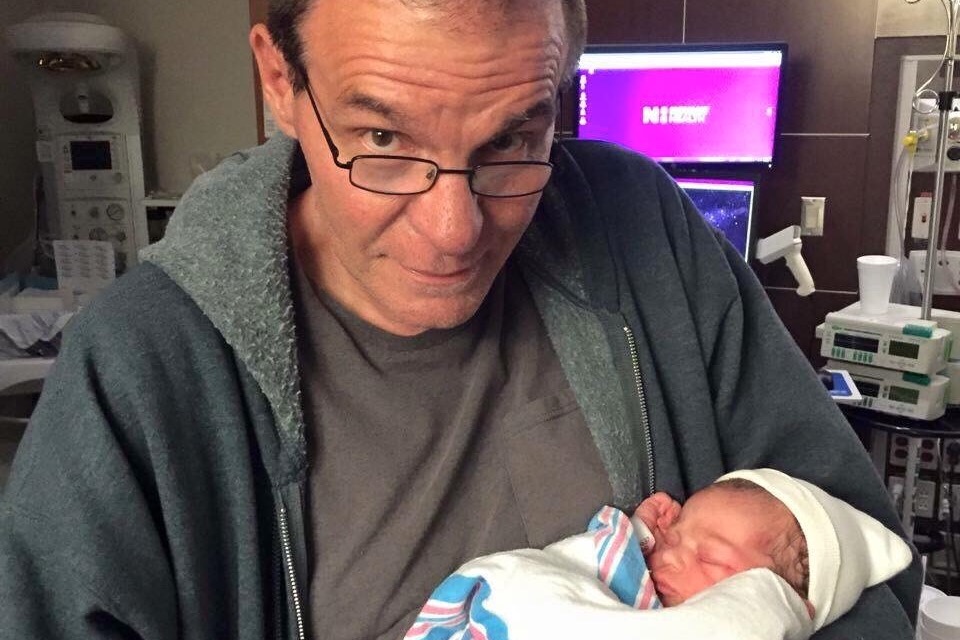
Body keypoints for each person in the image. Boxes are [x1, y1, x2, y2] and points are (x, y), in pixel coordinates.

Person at [0, 1, 920, 639]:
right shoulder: (144, 369)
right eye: (383, 139)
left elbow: (861, 561)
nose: (455, 231)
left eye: (512, 139)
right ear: (280, 79)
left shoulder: (647, 237)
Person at [403, 468, 913, 640]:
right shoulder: (627, 573)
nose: (669, 558)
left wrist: (770, 609)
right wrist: (645, 532)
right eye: (677, 533)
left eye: (709, 559)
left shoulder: (752, 617)